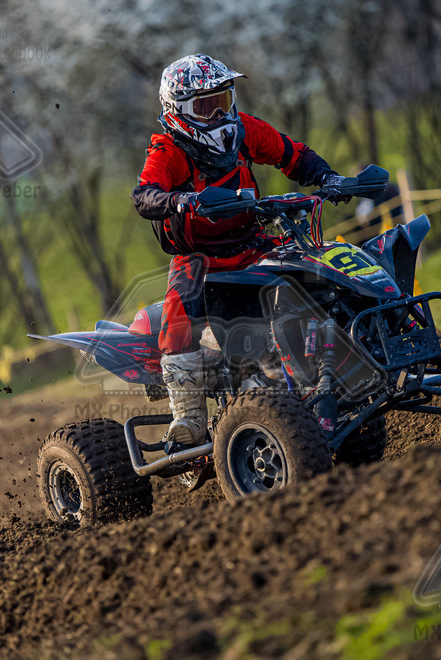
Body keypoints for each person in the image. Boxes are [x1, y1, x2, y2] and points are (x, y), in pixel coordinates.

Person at [131, 54, 345, 448]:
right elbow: (144, 195)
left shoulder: (244, 129)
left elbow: (292, 154)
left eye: (221, 101)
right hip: (200, 258)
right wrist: (180, 200)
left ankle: (328, 370)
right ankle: (189, 419)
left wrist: (327, 177)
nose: (216, 114)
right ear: (178, 109)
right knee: (178, 318)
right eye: (203, 105)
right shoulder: (169, 149)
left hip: (252, 243)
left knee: (318, 271)